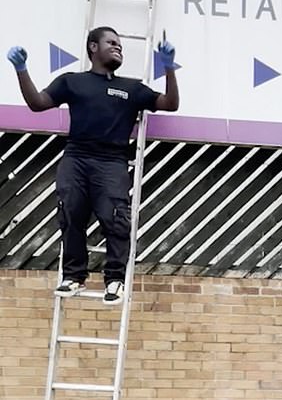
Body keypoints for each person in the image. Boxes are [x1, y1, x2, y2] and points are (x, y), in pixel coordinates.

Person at [7, 26, 179, 304]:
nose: (118, 48)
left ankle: (115, 281)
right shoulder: (72, 82)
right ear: (93, 47)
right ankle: (73, 277)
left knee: (115, 219)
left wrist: (169, 67)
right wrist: (21, 69)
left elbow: (170, 103)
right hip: (76, 158)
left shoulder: (131, 89)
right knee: (71, 213)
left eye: (120, 45)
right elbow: (37, 104)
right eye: (111, 43)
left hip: (112, 163)